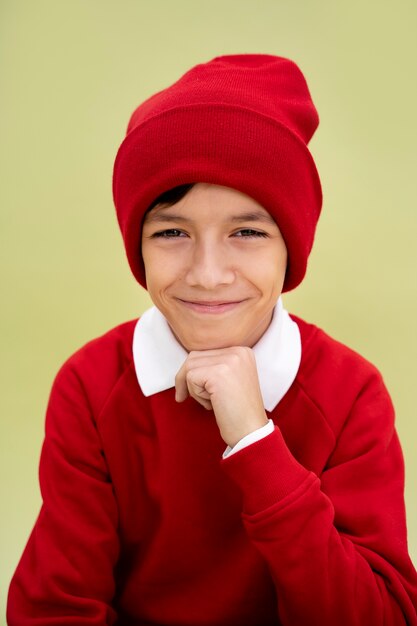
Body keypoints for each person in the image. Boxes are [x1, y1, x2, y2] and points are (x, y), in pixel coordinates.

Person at [7, 54, 417, 625]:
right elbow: (53, 608)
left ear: (290, 247)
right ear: (137, 246)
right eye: (172, 232)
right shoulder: (92, 384)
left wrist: (255, 442)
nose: (207, 272)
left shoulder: (348, 394)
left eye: (247, 232)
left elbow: (381, 616)